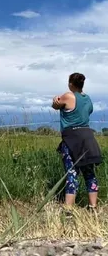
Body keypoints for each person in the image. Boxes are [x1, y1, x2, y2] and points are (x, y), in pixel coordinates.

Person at [52, 72, 102, 210]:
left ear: (70, 84)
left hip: (72, 138)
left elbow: (55, 106)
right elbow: (88, 112)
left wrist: (55, 99)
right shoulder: (88, 99)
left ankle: (68, 209)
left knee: (72, 173)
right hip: (87, 136)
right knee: (89, 173)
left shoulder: (68, 96)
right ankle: (93, 207)